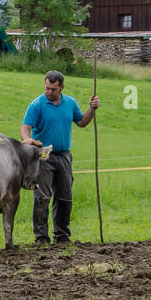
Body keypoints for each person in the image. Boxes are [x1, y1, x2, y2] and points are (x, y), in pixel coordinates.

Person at [21, 69, 99, 244]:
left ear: (62, 87)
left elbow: (82, 122)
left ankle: (62, 235)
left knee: (65, 196)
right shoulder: (37, 105)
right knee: (42, 197)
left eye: (53, 89)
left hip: (64, 156)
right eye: (47, 88)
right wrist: (27, 140)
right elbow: (26, 126)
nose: (49, 92)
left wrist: (92, 109)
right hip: (43, 156)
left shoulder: (70, 103)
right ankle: (41, 237)